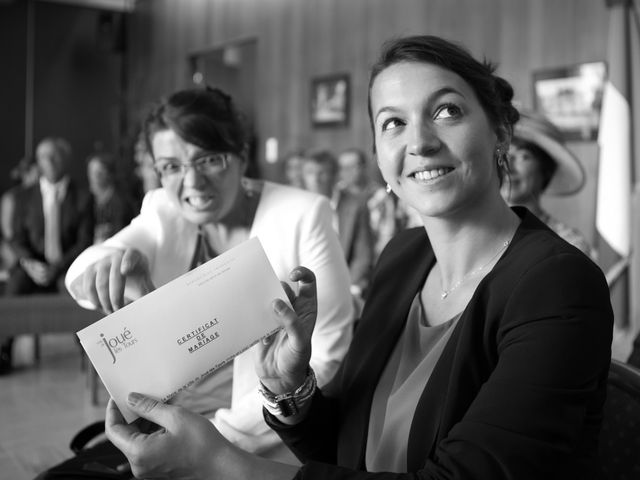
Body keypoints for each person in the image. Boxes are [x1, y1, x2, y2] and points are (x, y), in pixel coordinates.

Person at [103, 35, 613, 479]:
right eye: (392, 123)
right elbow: (344, 448)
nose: (419, 141)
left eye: (447, 111)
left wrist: (219, 466)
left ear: (500, 131)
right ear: (380, 160)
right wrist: (290, 387)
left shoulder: (558, 285)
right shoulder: (403, 257)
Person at [65, 86, 354, 462]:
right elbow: (81, 276)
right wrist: (111, 263)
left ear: (241, 157)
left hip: (259, 438)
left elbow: (329, 350)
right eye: (171, 167)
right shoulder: (164, 211)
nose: (192, 183)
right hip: (167, 423)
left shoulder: (302, 215)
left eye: (209, 160)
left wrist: (216, 438)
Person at [1, 137, 94, 375]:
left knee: (78, 295)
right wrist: (29, 262)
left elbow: (84, 241)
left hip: (67, 265)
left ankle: (92, 354)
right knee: (13, 290)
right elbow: (16, 237)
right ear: (38, 161)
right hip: (31, 266)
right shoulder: (23, 196)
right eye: (44, 156)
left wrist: (57, 268)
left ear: (66, 160)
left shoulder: (83, 196)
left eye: (55, 156)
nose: (49, 161)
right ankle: (3, 352)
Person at [501, 109, 597, 259]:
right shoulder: (474, 235)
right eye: (503, 154)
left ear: (546, 170)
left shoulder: (568, 244)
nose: (509, 166)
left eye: (523, 156)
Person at [301, 148, 374, 303]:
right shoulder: (297, 207)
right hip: (309, 289)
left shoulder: (355, 205)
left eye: (321, 173)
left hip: (348, 286)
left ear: (334, 176)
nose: (315, 179)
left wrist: (350, 290)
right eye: (309, 172)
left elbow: (363, 255)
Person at [338, 148, 399, 259]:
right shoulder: (338, 194)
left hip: (372, 257)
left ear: (363, 167)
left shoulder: (380, 195)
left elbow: (387, 233)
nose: (346, 172)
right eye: (343, 168)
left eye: (351, 167)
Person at [86, 152, 137, 244]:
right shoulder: (87, 200)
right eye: (91, 172)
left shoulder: (121, 203)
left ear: (110, 174)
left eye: (99, 172)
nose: (94, 177)